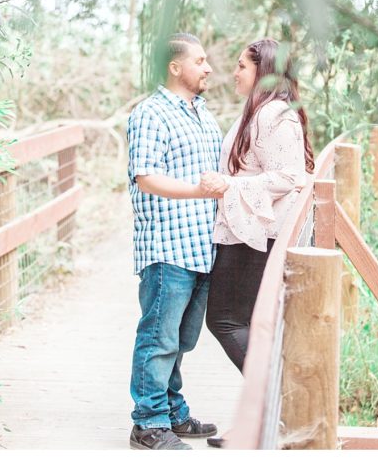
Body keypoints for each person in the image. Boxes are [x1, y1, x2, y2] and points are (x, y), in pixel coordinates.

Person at [126, 33, 224, 450]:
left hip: (202, 246)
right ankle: (147, 423)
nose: (208, 68)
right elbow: (145, 176)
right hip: (168, 246)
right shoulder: (150, 114)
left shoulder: (203, 113)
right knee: (158, 337)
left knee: (182, 339)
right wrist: (200, 192)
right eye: (200, 61)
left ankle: (170, 411)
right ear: (175, 66)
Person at [203, 38, 313, 381]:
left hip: (259, 234)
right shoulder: (261, 110)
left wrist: (229, 185)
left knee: (225, 318)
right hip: (247, 231)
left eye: (241, 66)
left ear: (262, 71)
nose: (234, 73)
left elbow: (289, 176)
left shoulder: (274, 114)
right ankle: (266, 414)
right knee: (243, 321)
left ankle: (276, 400)